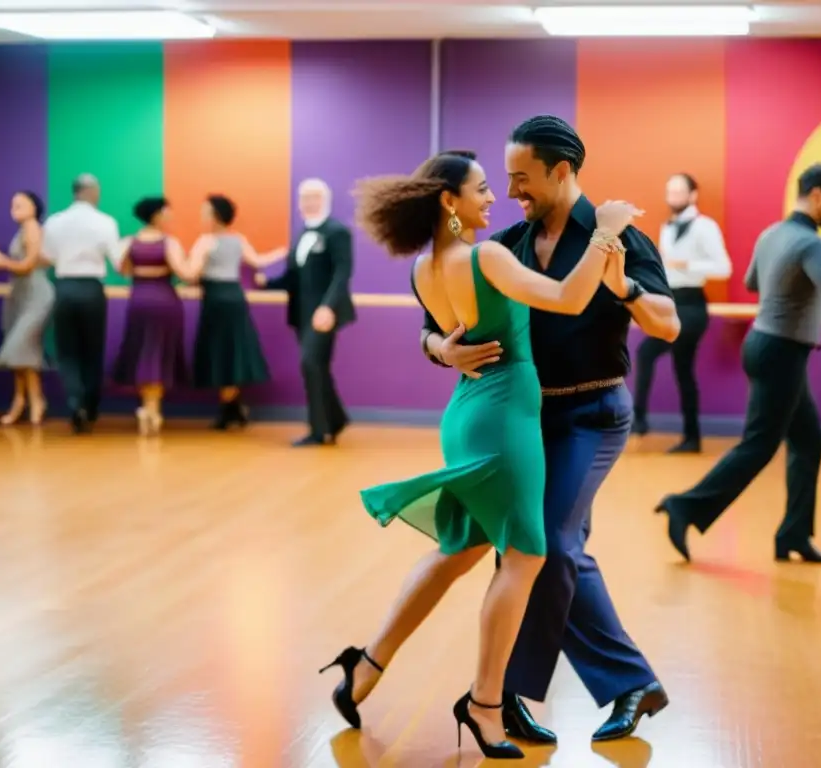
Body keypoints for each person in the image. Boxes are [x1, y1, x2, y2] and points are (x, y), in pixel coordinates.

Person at [321, 149, 642, 759]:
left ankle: (365, 665)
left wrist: (440, 349)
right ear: (450, 201)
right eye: (483, 189)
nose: (494, 198)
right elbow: (571, 300)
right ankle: (486, 704)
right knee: (525, 556)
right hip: (504, 419)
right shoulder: (487, 256)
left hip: (467, 413)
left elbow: (435, 332)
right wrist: (604, 231)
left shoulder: (423, 267)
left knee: (460, 549)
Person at [417, 116, 679, 743]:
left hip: (593, 415)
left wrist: (626, 290)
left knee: (549, 549)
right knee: (539, 550)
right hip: (525, 422)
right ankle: (628, 686)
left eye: (522, 179)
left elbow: (668, 324)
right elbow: (430, 323)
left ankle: (504, 694)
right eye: (504, 181)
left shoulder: (617, 235)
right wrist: (439, 348)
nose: (511, 193)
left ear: (561, 172)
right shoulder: (504, 243)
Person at [657, 163, 821, 564]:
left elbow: (752, 281)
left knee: (808, 439)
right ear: (817, 195)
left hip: (768, 346)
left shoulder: (772, 234)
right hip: (781, 351)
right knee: (759, 445)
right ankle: (686, 507)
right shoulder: (812, 244)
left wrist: (788, 283)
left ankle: (793, 536)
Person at [633, 173, 732, 452]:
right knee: (683, 372)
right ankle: (692, 438)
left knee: (647, 353)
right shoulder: (667, 226)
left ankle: (639, 420)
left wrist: (686, 263)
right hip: (671, 302)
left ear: (692, 195)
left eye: (678, 192)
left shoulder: (705, 227)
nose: (672, 197)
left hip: (691, 307)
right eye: (669, 191)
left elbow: (724, 268)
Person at [254, 179, 354, 446]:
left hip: (324, 313)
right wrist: (265, 283)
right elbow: (293, 277)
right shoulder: (300, 234)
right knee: (317, 366)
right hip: (301, 312)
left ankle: (319, 430)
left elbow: (342, 272)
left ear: (325, 200)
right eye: (305, 198)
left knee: (310, 362)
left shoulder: (337, 231)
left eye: (314, 197)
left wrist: (327, 306)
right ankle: (336, 419)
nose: (309, 203)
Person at [187, 194, 286, 429]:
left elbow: (191, 273)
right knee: (234, 350)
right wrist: (283, 252)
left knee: (220, 352)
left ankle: (228, 409)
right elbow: (259, 261)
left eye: (205, 212)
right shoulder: (238, 240)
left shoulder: (205, 241)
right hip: (235, 297)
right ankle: (233, 407)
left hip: (215, 300)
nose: (202, 217)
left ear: (215, 216)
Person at [43, 174, 120, 434]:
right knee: (92, 351)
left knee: (67, 352)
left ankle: (74, 401)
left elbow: (48, 258)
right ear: (93, 191)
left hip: (63, 287)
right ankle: (91, 406)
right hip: (92, 289)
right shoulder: (106, 222)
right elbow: (118, 260)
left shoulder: (54, 222)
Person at [112, 197, 196, 435]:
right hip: (164, 301)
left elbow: (123, 269)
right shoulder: (170, 243)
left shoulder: (129, 242)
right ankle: (153, 410)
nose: (170, 216)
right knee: (160, 352)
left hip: (138, 301)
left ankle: (148, 408)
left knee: (142, 352)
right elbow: (186, 272)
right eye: (167, 211)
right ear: (156, 215)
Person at [0, 190, 54, 426]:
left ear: (34, 207)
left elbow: (26, 266)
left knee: (19, 347)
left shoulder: (32, 227)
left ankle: (29, 401)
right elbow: (39, 259)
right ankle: (26, 400)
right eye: (13, 204)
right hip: (19, 295)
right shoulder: (24, 230)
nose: (15, 208)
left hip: (36, 295)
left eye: (21, 204)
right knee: (25, 353)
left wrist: (1, 261)